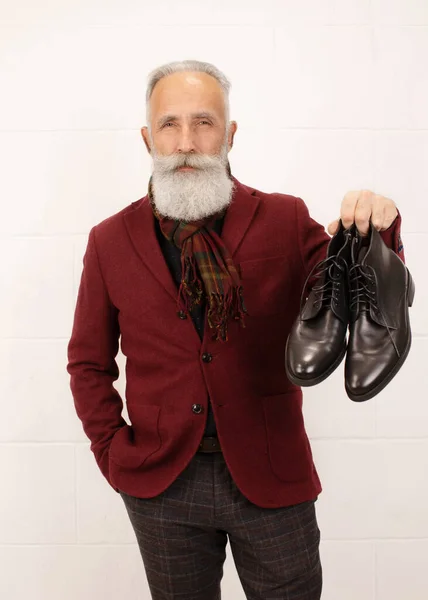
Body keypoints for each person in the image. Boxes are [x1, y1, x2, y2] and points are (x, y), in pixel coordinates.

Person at [66, 60, 403, 600]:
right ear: (147, 137)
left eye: (203, 123)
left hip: (272, 474)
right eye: (170, 124)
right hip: (161, 484)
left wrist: (378, 224)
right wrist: (114, 454)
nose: (185, 142)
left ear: (230, 135)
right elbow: (88, 363)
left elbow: (352, 276)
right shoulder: (109, 241)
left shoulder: (285, 219)